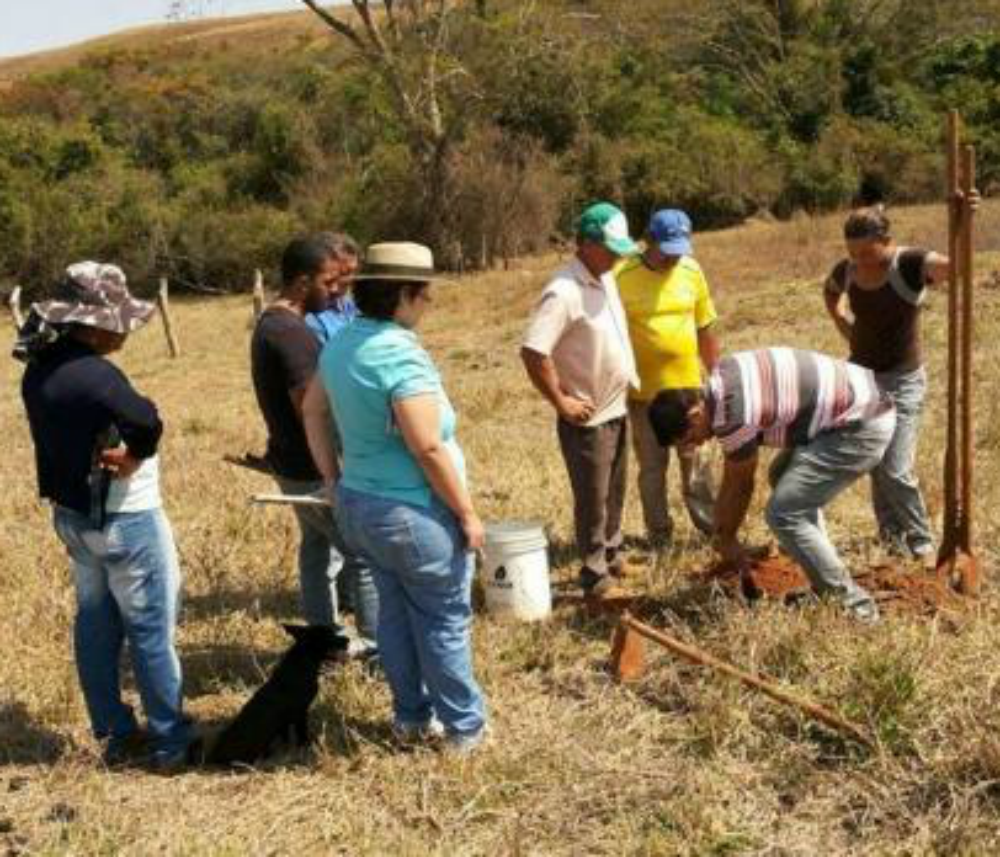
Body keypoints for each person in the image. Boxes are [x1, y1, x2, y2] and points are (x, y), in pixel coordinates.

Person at [302, 242, 488, 752]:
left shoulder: (341, 342)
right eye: (425, 295)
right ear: (406, 294)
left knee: (396, 617)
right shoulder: (400, 353)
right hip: (415, 512)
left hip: (361, 507)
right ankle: (464, 731)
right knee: (444, 622)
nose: (428, 305)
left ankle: (410, 717)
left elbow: (313, 411)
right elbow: (425, 444)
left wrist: (333, 479)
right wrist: (467, 513)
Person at [18, 262, 195, 768]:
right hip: (126, 518)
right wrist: (136, 454)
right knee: (150, 627)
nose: (124, 329)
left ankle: (113, 733)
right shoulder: (96, 374)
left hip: (73, 517)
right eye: (117, 320)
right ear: (91, 323)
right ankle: (170, 740)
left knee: (95, 622)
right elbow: (146, 420)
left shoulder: (42, 366)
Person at [648, 347, 897, 622]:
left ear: (695, 414)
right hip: (856, 407)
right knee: (782, 476)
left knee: (784, 513)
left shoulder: (733, 415)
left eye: (688, 438)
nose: (693, 446)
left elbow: (740, 485)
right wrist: (723, 533)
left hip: (862, 423)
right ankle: (822, 580)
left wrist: (726, 537)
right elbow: (732, 484)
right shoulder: (721, 375)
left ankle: (856, 607)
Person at [250, 235, 378, 651]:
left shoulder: (273, 323)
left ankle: (324, 640)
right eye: (329, 282)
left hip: (291, 463)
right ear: (303, 282)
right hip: (312, 468)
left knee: (317, 548)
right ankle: (380, 649)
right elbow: (314, 411)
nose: (338, 290)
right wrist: (336, 472)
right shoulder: (292, 335)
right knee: (362, 555)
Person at [822, 206, 960, 568]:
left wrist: (964, 218)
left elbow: (954, 268)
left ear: (888, 241)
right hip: (861, 380)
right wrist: (842, 323)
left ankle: (921, 543)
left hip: (903, 381)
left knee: (896, 466)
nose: (861, 261)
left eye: (868, 252)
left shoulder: (910, 264)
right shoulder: (847, 270)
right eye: (854, 253)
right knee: (875, 460)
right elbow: (830, 292)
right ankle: (890, 537)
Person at [521, 202, 640, 597]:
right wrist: (561, 401)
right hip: (587, 416)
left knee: (615, 490)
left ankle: (612, 553)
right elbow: (534, 352)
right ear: (585, 244)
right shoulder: (563, 291)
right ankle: (593, 572)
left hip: (616, 405)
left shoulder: (605, 276)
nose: (617, 257)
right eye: (610, 249)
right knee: (593, 498)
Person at [616, 209, 719, 544]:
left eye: (681, 249)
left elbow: (705, 327)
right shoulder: (622, 275)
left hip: (689, 388)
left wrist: (714, 376)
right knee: (652, 467)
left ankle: (711, 528)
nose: (675, 258)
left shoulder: (691, 270)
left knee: (697, 461)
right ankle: (659, 534)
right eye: (668, 250)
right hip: (644, 394)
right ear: (648, 241)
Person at [305, 232, 360, 345]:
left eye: (354, 271)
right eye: (346, 272)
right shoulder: (311, 315)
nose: (352, 279)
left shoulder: (349, 304)